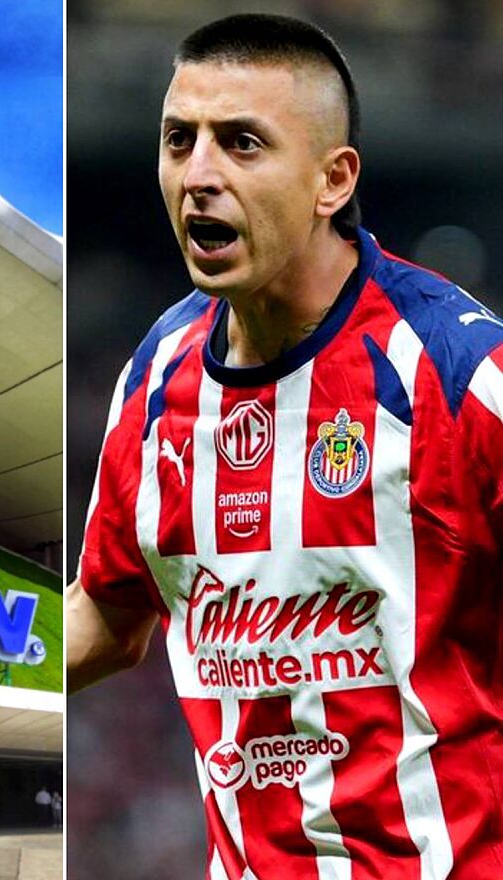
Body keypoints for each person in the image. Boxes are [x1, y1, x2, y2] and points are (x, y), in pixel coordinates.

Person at [69, 11, 503, 876]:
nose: (199, 175)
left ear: (332, 180)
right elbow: (112, 617)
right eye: (178, 139)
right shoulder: (155, 383)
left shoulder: (460, 377)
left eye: (241, 143)